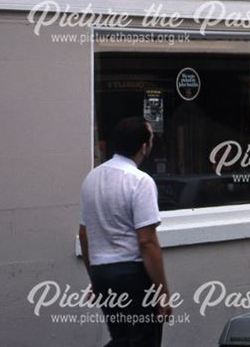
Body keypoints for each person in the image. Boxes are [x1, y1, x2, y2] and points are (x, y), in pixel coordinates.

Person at [80, 117, 171, 346]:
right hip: (132, 276)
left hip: (102, 274)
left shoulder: (92, 178)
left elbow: (83, 233)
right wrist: (163, 293)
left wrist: (96, 276)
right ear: (144, 147)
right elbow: (147, 242)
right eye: (150, 139)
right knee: (143, 340)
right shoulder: (140, 181)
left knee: (121, 339)